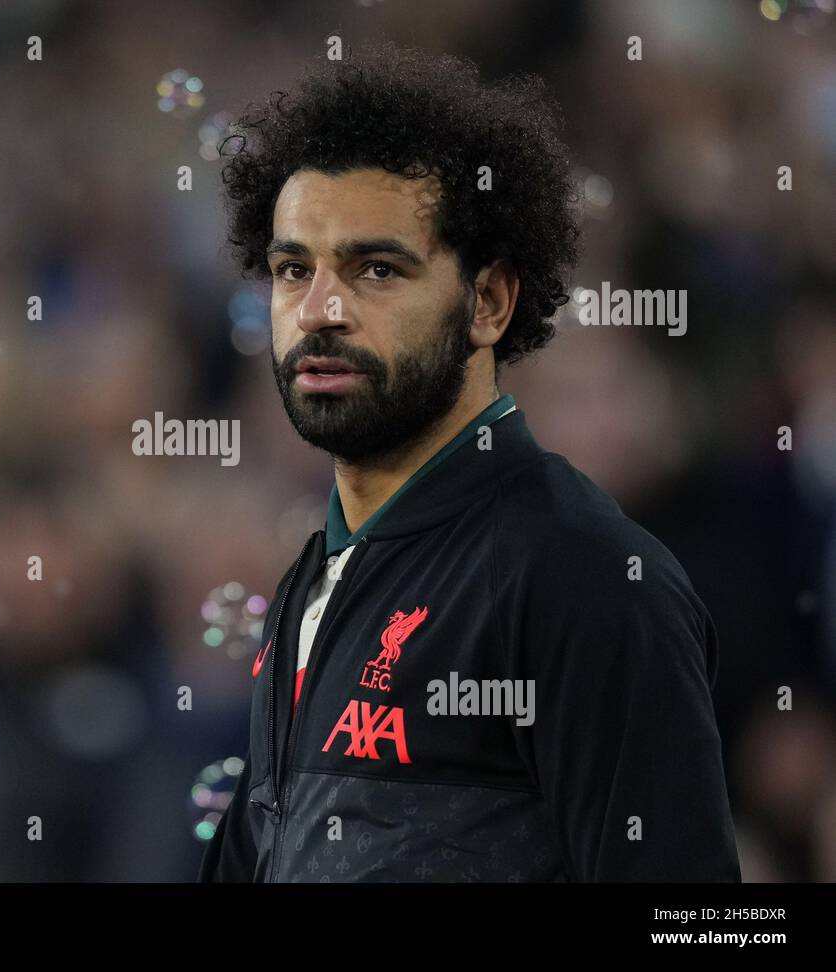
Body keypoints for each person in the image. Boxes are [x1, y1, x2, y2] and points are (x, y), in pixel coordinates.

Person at [198, 42, 740, 882]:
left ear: (487, 301)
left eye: (376, 268)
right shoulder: (311, 584)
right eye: (292, 269)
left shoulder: (585, 576)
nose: (320, 311)